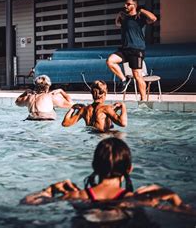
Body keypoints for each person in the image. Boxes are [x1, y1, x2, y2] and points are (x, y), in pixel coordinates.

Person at [21, 138, 188, 212]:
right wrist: (174, 197)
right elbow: (188, 214)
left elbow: (26, 203)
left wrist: (48, 190)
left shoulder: (75, 196)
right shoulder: (140, 200)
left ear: (94, 165)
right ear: (129, 169)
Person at [106, 0, 157, 101]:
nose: (126, 6)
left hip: (136, 50)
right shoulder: (125, 19)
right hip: (124, 50)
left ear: (134, 5)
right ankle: (124, 79)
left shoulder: (140, 18)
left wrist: (142, 10)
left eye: (128, 4)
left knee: (138, 76)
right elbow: (117, 24)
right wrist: (119, 15)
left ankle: (143, 100)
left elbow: (153, 18)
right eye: (125, 4)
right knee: (110, 61)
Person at [62, 80, 127, 133]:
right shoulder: (106, 108)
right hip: (102, 139)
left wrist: (72, 108)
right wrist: (123, 106)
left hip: (90, 138)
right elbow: (123, 123)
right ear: (105, 92)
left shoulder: (84, 109)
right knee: (118, 133)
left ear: (91, 92)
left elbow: (65, 123)